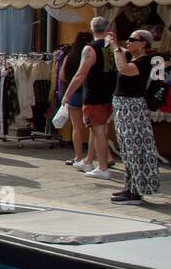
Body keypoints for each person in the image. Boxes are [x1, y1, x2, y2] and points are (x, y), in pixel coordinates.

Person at [107, 29, 163, 205]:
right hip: (124, 109)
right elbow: (122, 54)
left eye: (133, 39)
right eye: (128, 39)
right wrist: (115, 43)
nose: (128, 42)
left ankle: (136, 192)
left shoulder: (144, 62)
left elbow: (123, 68)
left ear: (143, 44)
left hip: (133, 109)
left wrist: (116, 48)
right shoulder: (135, 58)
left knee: (134, 148)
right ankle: (130, 187)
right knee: (126, 149)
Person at [61, 16, 117, 180]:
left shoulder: (90, 49)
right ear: (107, 29)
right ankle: (90, 161)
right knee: (99, 130)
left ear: (92, 29)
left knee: (98, 132)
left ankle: (102, 167)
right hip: (109, 94)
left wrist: (67, 95)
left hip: (94, 95)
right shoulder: (111, 48)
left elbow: (80, 75)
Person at [60, 32, 92, 168]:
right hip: (89, 92)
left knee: (76, 127)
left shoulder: (69, 56)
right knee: (95, 129)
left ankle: (78, 157)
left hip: (74, 93)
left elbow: (62, 76)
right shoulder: (92, 54)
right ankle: (95, 158)